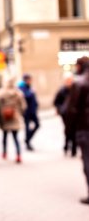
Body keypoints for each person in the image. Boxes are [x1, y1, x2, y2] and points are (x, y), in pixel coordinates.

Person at [64, 56, 89, 205]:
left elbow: (72, 110)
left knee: (87, 160)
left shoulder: (79, 83)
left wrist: (68, 131)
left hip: (85, 128)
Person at [0, 77, 26, 163]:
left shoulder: (1, 93)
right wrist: (19, 112)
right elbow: (23, 106)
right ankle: (18, 155)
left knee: (4, 136)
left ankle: (4, 152)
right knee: (15, 137)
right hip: (15, 116)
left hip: (4, 117)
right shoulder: (18, 93)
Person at [53, 72, 76, 156]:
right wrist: (61, 109)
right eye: (67, 80)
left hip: (74, 114)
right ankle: (66, 147)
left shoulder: (76, 89)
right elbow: (56, 102)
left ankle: (73, 149)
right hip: (65, 114)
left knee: (73, 131)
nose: (69, 82)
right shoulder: (62, 90)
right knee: (68, 131)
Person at [18, 73, 39, 151]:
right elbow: (25, 96)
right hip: (26, 111)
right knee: (27, 127)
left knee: (37, 125)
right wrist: (31, 92)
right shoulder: (21, 87)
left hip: (32, 110)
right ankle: (27, 142)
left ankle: (27, 139)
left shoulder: (29, 87)